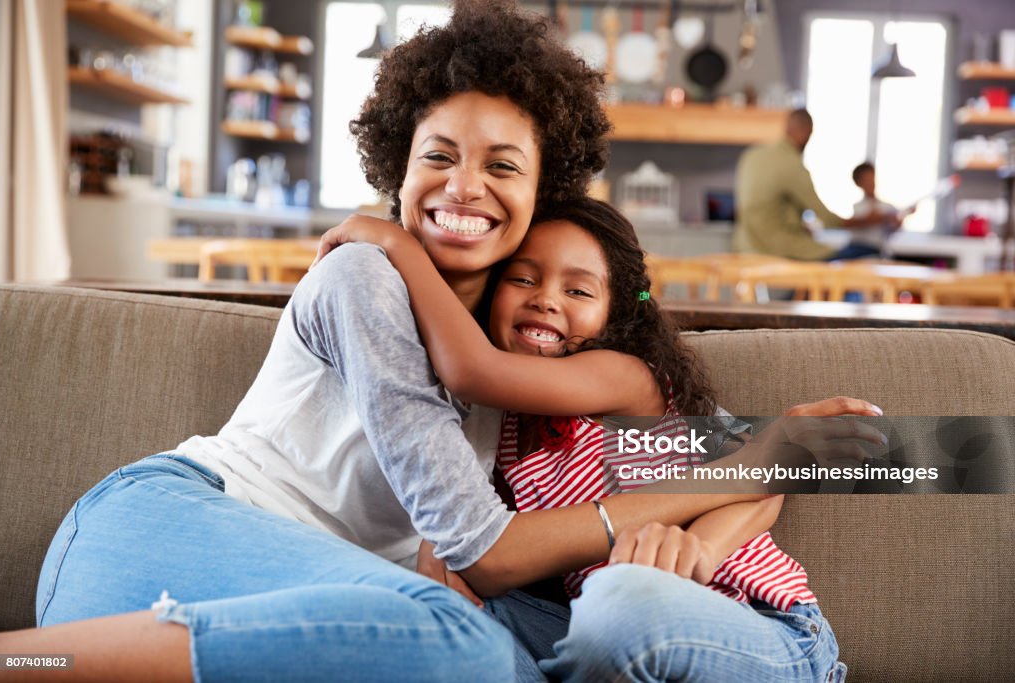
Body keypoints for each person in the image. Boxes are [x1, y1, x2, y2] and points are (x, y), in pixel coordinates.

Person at [0, 4, 783, 681]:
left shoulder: (519, 354)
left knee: (493, 658)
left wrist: (757, 488)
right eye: (437, 155)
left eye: (501, 166)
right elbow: (484, 547)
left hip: (326, 611)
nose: (464, 187)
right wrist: (732, 478)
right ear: (396, 169)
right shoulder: (363, 277)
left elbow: (769, 458)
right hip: (159, 536)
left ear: (542, 191)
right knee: (469, 651)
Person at [313, 197, 882, 681]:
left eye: (579, 291)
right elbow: (474, 533)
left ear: (614, 317)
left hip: (762, 626)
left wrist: (398, 245)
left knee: (620, 605)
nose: (546, 299)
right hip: (604, 623)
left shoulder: (624, 380)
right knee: (435, 611)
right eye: (523, 278)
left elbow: (763, 477)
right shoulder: (502, 429)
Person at [733, 109, 901, 261]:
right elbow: (828, 220)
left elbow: (758, 206)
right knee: (856, 256)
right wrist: (875, 219)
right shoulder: (792, 165)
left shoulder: (751, 156)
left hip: (746, 247)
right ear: (806, 132)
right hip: (779, 251)